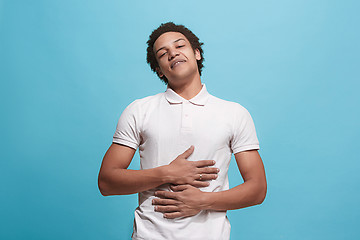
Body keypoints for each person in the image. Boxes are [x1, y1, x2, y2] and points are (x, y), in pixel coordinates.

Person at [98, 22, 267, 240]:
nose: (173, 53)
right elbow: (106, 182)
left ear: (196, 53)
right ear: (158, 69)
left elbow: (257, 188)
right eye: (163, 53)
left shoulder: (234, 113)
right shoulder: (139, 110)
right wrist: (167, 172)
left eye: (180, 46)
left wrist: (203, 201)